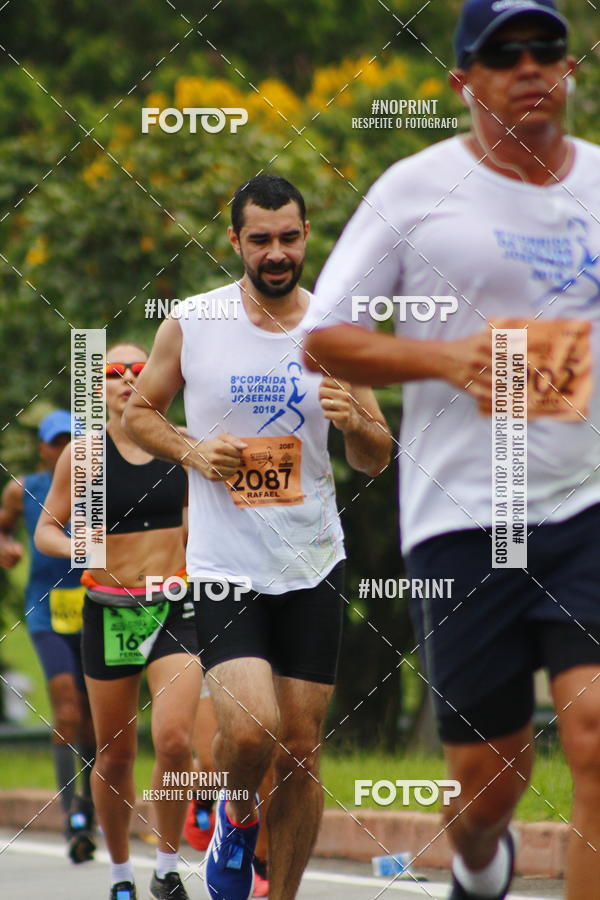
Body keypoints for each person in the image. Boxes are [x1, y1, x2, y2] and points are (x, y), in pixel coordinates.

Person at [303, 2, 600, 898]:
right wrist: (444, 359)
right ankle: (477, 865)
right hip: (463, 520)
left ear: (569, 67)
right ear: (462, 81)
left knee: (593, 742)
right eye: (501, 53)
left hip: (586, 504)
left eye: (544, 48)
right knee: (490, 783)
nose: (528, 66)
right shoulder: (411, 190)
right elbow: (324, 338)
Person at [123, 173, 392, 900]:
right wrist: (191, 450)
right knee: (251, 734)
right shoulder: (193, 320)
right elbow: (138, 416)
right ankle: (238, 819)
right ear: (236, 240)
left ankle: (285, 894)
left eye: (289, 238)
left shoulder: (336, 329)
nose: (277, 253)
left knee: (301, 749)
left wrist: (356, 424)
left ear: (307, 236)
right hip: (225, 565)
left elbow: (375, 456)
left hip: (311, 561)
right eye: (262, 239)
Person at [35, 344, 202, 900]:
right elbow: (46, 531)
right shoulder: (83, 457)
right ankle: (121, 874)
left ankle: (168, 865)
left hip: (174, 605)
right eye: (114, 372)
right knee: (116, 752)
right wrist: (86, 549)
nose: (129, 378)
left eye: (139, 369)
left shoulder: (180, 444)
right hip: (108, 611)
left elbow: (196, 521)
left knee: (176, 741)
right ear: (97, 388)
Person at [0, 409, 96, 863]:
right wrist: (7, 547)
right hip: (46, 611)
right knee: (67, 708)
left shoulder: (100, 486)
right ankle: (71, 816)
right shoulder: (23, 489)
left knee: (95, 719)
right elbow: (2, 527)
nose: (63, 451)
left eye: (71, 442)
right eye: (56, 443)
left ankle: (92, 809)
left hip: (97, 605)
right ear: (43, 448)